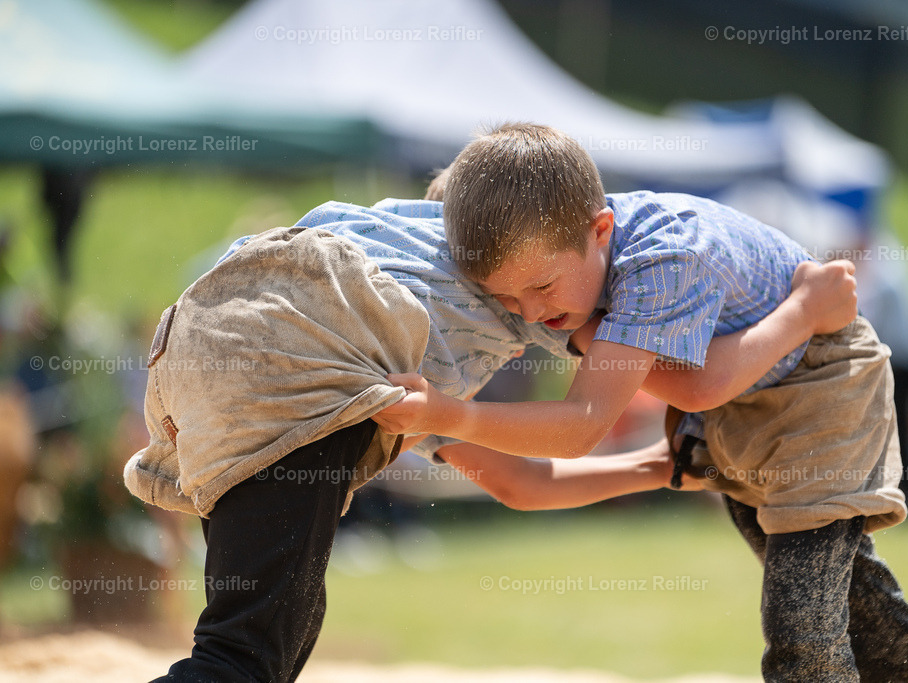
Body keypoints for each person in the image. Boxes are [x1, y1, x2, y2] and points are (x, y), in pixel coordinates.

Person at [126, 193, 856, 683]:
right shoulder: (452, 312)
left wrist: (658, 465)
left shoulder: (403, 302)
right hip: (291, 355)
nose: (529, 323)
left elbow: (520, 481)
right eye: (517, 302)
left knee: (276, 625)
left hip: (204, 343)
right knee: (240, 656)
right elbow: (601, 419)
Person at [372, 122, 908, 682]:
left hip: (818, 381)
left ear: (600, 232)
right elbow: (522, 484)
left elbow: (669, 395)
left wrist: (805, 309)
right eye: (502, 306)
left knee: (802, 633)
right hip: (736, 406)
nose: (529, 317)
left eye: (537, 291)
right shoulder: (531, 304)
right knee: (878, 631)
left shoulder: (660, 255)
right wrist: (654, 464)